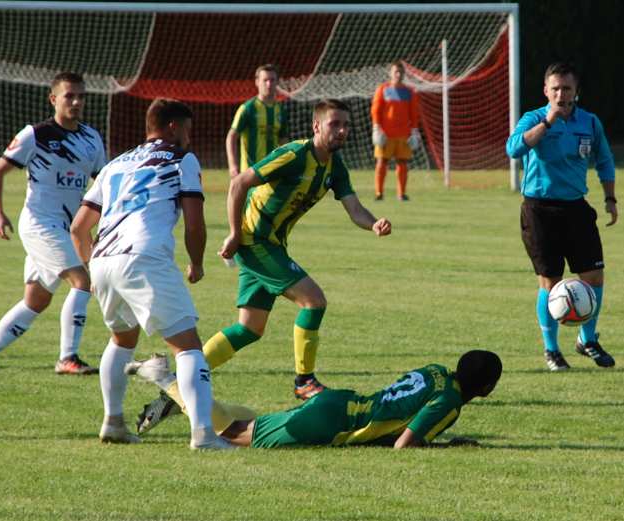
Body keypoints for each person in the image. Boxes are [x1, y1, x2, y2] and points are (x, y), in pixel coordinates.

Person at [133, 99, 392, 434]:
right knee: (314, 301)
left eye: (345, 125)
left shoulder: (334, 166)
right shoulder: (295, 154)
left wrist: (373, 224)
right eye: (334, 124)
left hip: (271, 245)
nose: (341, 130)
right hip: (256, 242)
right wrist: (235, 234)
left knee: (249, 329)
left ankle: (178, 386)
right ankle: (304, 381)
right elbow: (239, 183)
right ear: (316, 126)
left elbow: (355, 209)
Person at [69, 99, 231, 449]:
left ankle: (113, 422)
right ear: (173, 127)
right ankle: (203, 434)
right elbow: (194, 221)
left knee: (122, 340)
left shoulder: (114, 165)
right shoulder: (180, 159)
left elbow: (78, 228)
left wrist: (93, 271)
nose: (190, 137)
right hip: (144, 256)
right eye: (187, 129)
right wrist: (197, 262)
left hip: (103, 260)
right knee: (188, 348)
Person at [0, 72, 106, 375]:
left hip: (68, 229)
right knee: (83, 281)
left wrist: (97, 229)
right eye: (70, 96)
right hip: (40, 224)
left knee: (37, 299)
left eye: (81, 96)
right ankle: (67, 358)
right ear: (53, 99)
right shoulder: (35, 134)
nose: (77, 101)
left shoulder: (91, 138)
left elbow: (102, 186)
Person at [131, 350, 501, 448]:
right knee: (230, 436)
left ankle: (180, 394)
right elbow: (404, 443)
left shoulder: (438, 370)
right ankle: (164, 377)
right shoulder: (450, 402)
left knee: (249, 424)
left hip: (340, 402)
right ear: (486, 389)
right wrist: (442, 443)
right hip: (335, 423)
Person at [505, 62, 617, 372]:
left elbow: (605, 161)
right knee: (551, 283)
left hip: (576, 209)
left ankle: (587, 340)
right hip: (539, 210)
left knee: (594, 277)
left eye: (566, 88)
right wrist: (547, 124)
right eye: (554, 88)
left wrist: (610, 198)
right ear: (546, 91)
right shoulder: (534, 118)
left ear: (576, 92)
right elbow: (513, 149)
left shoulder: (590, 123)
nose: (560, 94)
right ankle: (551, 350)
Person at [226, 64, 290, 177]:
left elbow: (283, 140)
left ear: (277, 82)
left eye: (272, 80)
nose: (269, 84)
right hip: (250, 173)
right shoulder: (248, 108)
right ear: (257, 82)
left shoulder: (280, 110)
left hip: (273, 171)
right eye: (265, 80)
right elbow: (231, 137)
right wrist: (233, 167)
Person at [370, 61, 421, 201]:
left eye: (400, 72)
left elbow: (414, 113)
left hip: (404, 135)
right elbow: (376, 110)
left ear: (403, 74)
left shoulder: (409, 92)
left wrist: (415, 130)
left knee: (402, 163)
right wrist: (376, 127)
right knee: (381, 162)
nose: (398, 74)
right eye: (395, 72)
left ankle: (401, 194)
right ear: (390, 73)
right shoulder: (383, 89)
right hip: (385, 134)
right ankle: (379, 193)